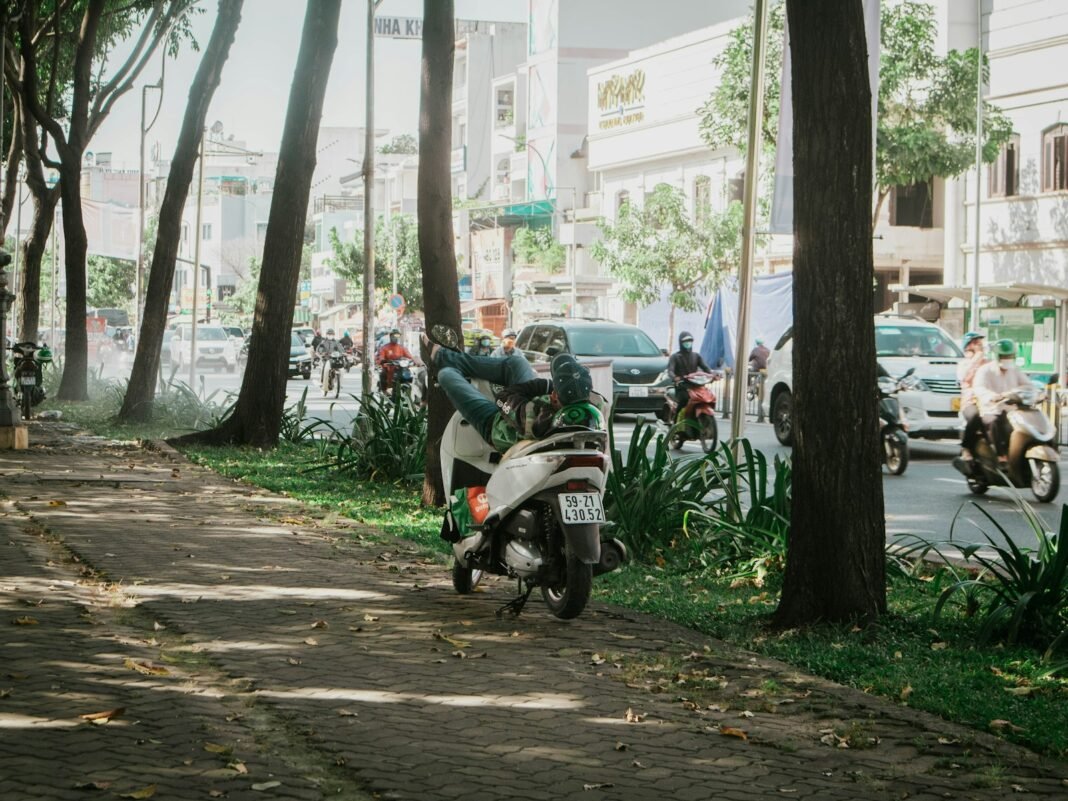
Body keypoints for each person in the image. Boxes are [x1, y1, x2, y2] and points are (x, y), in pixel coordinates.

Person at [424, 335, 599, 452]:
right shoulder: (597, 409)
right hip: (526, 415)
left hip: (498, 426)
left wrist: (542, 385)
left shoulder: (536, 416)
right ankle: (448, 357)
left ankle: (443, 358)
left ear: (554, 397)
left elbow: (502, 399)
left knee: (446, 374)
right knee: (517, 363)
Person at [972, 338, 1031, 463]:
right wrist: (992, 396)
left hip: (1012, 409)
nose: (1007, 359)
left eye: (1009, 356)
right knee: (994, 422)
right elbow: (979, 388)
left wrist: (1035, 393)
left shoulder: (1015, 370)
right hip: (991, 409)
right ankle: (1001, 455)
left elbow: (1027, 385)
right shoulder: (985, 370)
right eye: (1004, 356)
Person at [956, 331, 988, 462]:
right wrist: (976, 358)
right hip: (972, 401)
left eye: (980, 343)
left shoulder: (988, 362)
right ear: (968, 346)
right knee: (974, 416)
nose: (979, 345)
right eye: (975, 343)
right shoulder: (964, 364)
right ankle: (966, 448)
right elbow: (964, 376)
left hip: (990, 401)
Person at [667, 331, 713, 418]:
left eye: (690, 341)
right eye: (685, 341)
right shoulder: (675, 357)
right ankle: (676, 420)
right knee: (684, 400)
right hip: (682, 386)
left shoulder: (696, 356)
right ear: (681, 342)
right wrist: (675, 377)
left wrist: (712, 375)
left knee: (707, 396)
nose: (688, 343)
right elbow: (670, 371)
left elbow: (706, 368)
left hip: (696, 386)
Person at [376, 328, 420, 393]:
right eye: (394, 336)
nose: (396, 338)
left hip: (400, 368)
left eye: (398, 336)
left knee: (411, 375)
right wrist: (383, 360)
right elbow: (381, 357)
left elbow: (410, 356)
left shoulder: (401, 347)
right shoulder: (385, 348)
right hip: (389, 368)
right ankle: (384, 391)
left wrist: (416, 361)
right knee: (383, 374)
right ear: (390, 336)